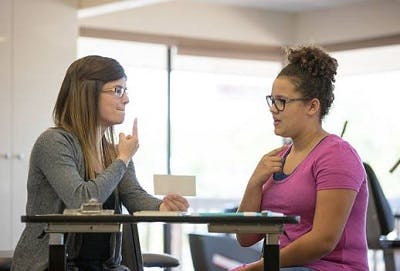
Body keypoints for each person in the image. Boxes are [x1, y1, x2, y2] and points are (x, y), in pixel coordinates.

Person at [11, 55, 189, 271]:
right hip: (53, 265)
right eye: (117, 90)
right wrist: (122, 159)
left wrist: (163, 206)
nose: (126, 99)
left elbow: (133, 196)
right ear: (88, 94)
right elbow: (81, 199)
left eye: (125, 90)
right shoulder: (54, 142)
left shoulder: (114, 151)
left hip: (105, 266)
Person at [232, 46, 368, 271]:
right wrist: (254, 182)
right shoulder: (277, 158)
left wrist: (256, 268)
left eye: (282, 101)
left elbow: (322, 241)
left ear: (312, 106)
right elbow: (246, 238)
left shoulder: (337, 155)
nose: (273, 109)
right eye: (272, 100)